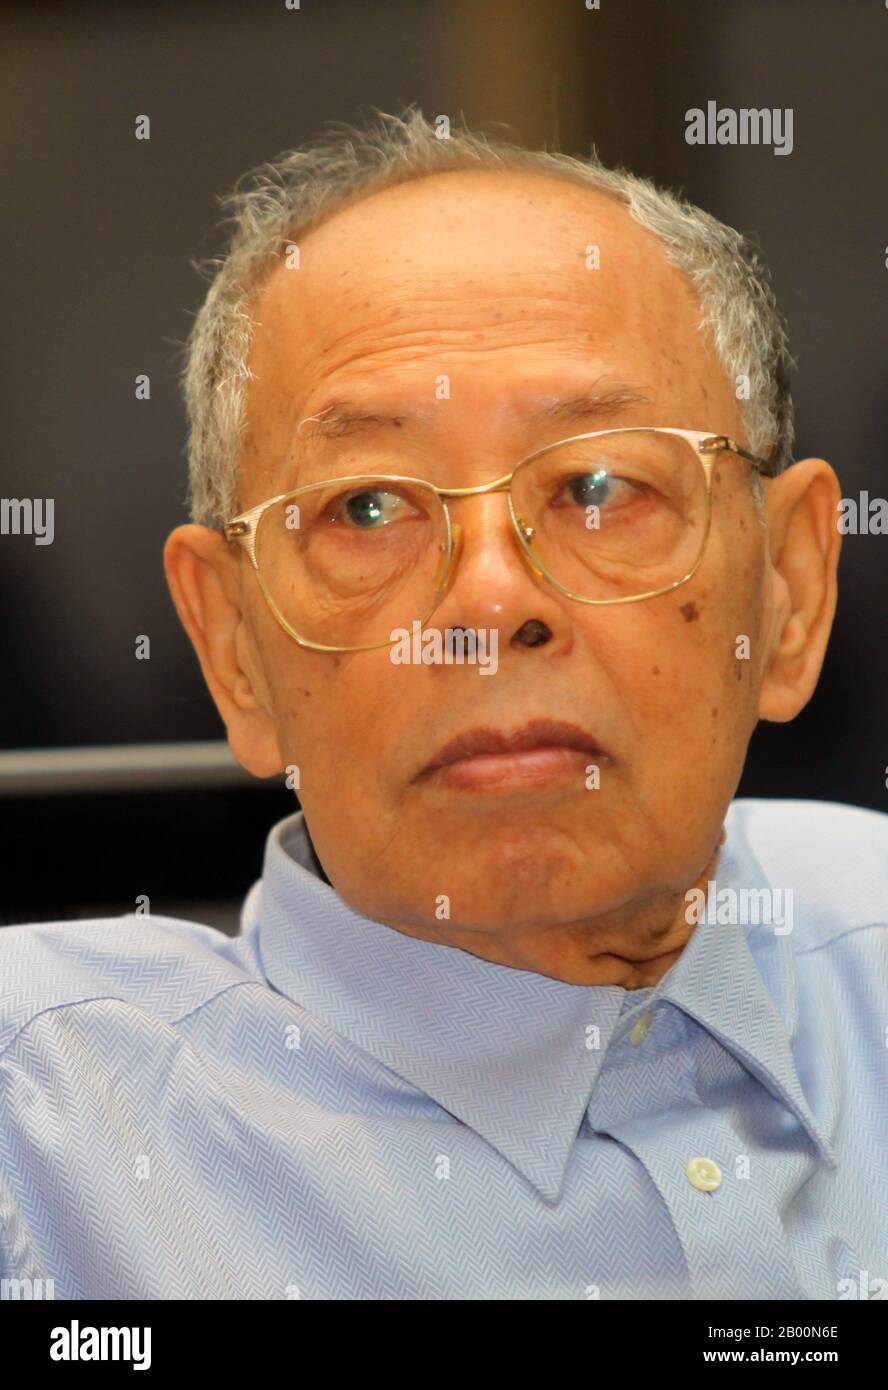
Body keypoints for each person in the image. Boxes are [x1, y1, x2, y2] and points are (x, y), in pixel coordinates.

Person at [1, 108, 885, 1301]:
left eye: (601, 484)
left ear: (789, 588)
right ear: (232, 651)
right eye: (367, 508)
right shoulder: (49, 1139)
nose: (488, 602)